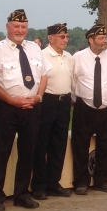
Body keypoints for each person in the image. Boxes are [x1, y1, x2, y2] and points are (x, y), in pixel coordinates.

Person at [0, 9, 48, 211]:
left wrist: (38, 97)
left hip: (32, 108)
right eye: (16, 26)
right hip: (6, 108)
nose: (20, 30)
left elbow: (44, 76)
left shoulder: (35, 48)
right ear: (8, 27)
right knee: (0, 153)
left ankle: (22, 194)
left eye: (23, 26)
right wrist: (12, 101)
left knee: (28, 153)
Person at [71, 24, 107, 194]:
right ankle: (81, 182)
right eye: (100, 38)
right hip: (84, 107)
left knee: (106, 145)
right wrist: (76, 97)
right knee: (80, 146)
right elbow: (73, 80)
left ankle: (102, 180)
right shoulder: (78, 57)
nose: (104, 41)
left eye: (105, 37)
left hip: (106, 107)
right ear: (90, 40)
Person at [31, 23, 75, 200]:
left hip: (64, 102)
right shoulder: (41, 56)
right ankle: (39, 185)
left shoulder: (70, 57)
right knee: (42, 144)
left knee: (59, 144)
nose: (65, 40)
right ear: (50, 38)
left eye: (67, 36)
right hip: (46, 102)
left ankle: (53, 182)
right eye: (61, 36)